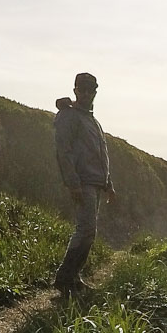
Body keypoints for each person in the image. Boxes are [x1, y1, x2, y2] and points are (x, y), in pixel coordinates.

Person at [53, 71, 116, 294]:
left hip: (95, 183)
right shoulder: (68, 117)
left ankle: (72, 277)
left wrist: (108, 183)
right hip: (83, 182)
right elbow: (64, 152)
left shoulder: (92, 121)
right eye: (83, 90)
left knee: (89, 231)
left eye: (91, 90)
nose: (87, 94)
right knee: (85, 230)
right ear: (75, 90)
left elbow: (101, 154)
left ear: (95, 92)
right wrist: (73, 184)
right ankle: (64, 279)